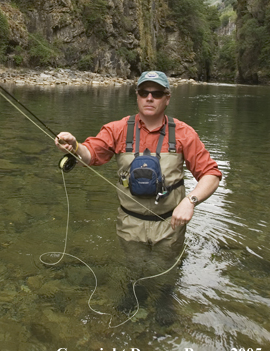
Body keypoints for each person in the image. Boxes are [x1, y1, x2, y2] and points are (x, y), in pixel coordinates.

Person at [55, 70, 221, 252]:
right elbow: (90, 155)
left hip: (170, 226)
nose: (149, 98)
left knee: (167, 277)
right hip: (129, 226)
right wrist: (75, 146)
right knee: (132, 274)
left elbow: (211, 175)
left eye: (156, 94)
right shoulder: (116, 129)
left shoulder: (184, 133)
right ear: (137, 97)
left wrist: (190, 201)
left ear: (167, 98)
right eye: (144, 93)